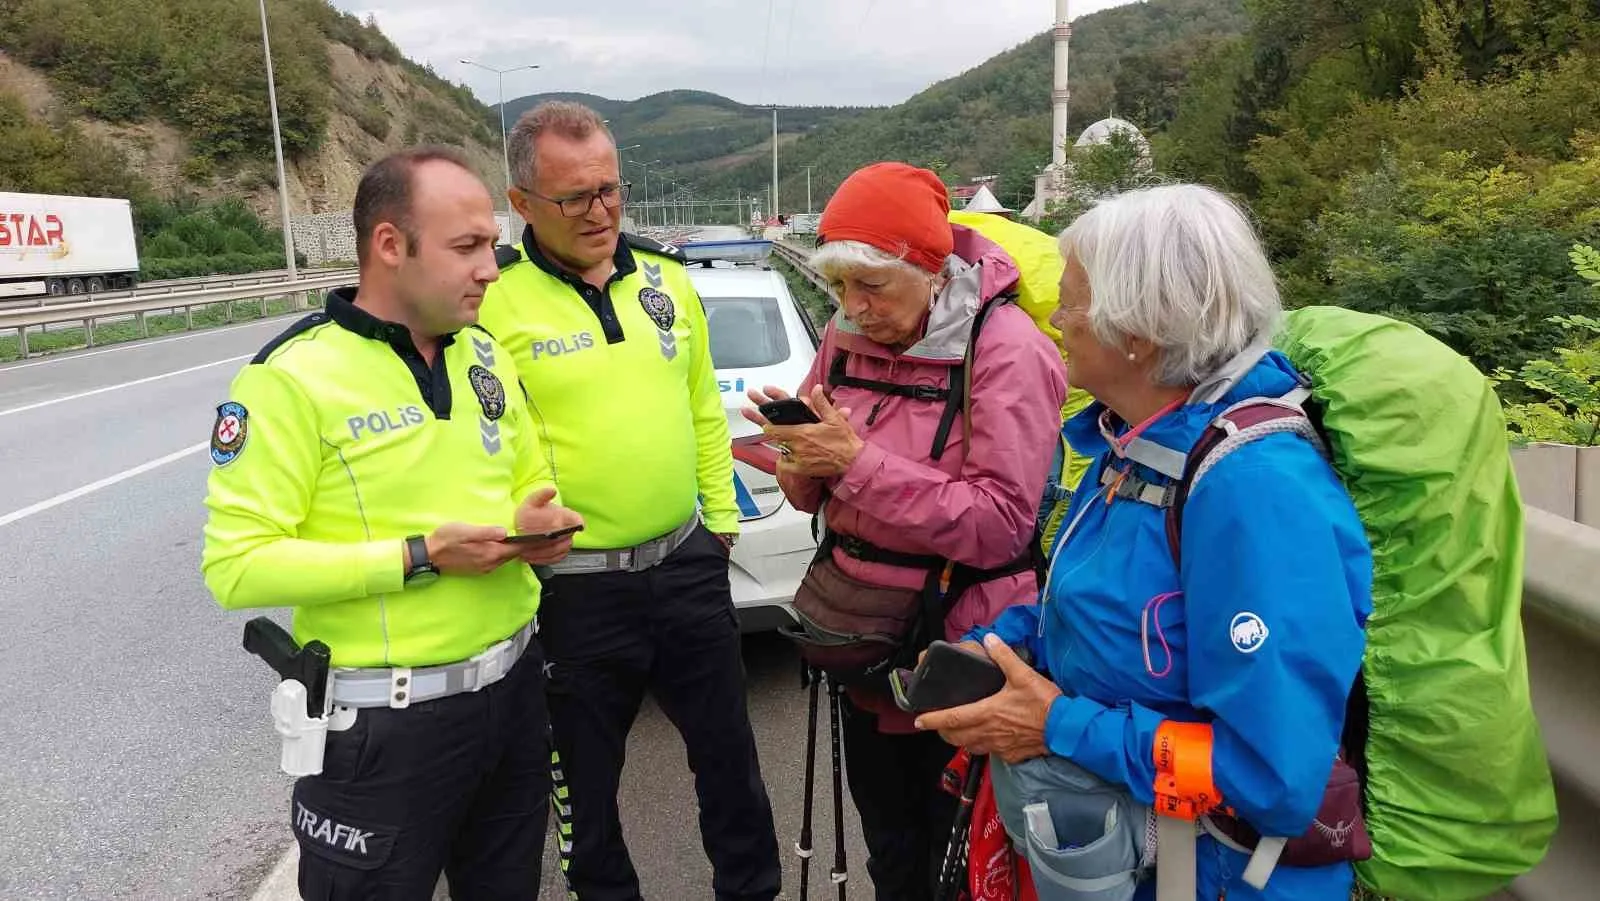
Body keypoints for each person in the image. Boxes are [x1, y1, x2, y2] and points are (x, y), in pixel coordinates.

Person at [917, 184, 1373, 900]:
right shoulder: (1132, 444)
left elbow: (1271, 777)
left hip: (1218, 876)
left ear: (1140, 331)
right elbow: (1089, 604)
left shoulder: (1254, 490)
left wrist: (1059, 724)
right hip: (1145, 862)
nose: (1057, 317)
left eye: (1072, 300)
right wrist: (999, 647)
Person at [200, 145, 583, 900]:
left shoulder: (484, 355)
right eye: (467, 247)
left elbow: (528, 471)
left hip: (511, 697)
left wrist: (535, 517)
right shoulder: (289, 378)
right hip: (384, 728)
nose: (492, 269)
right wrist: (417, 556)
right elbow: (235, 566)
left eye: (492, 247)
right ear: (389, 245)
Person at [475, 101, 781, 901]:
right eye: (575, 197)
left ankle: (751, 890)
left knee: (730, 763)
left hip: (685, 563)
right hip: (572, 589)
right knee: (585, 786)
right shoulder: (490, 303)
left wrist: (719, 524)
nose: (601, 211)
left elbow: (703, 410)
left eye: (611, 189)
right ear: (522, 203)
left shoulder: (668, 280)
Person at [745, 161, 1068, 901]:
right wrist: (799, 452)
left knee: (962, 856)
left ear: (929, 266)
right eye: (839, 289)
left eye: (872, 287)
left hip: (961, 648)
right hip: (861, 642)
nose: (854, 309)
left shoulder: (1008, 349)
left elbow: (1000, 524)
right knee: (890, 849)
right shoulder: (845, 334)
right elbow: (807, 491)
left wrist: (853, 463)